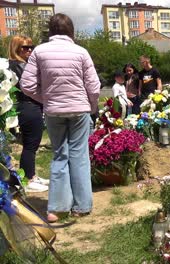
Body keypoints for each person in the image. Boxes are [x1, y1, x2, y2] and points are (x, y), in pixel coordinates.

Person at [21, 13, 100, 222]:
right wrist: (92, 107)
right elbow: (93, 86)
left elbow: (26, 85)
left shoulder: (39, 51)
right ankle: (81, 206)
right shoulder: (81, 52)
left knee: (60, 155)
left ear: (50, 31)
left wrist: (46, 99)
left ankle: (56, 208)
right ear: (71, 31)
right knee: (79, 156)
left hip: (54, 111)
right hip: (79, 110)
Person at [8, 35, 49, 193]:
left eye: (31, 47)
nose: (30, 50)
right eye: (25, 48)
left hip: (26, 106)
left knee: (31, 144)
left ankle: (31, 174)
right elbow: (36, 85)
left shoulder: (14, 65)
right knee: (31, 145)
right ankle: (28, 179)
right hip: (29, 106)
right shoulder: (20, 65)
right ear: (16, 49)